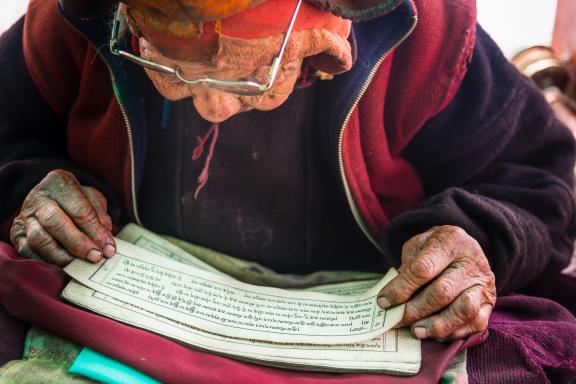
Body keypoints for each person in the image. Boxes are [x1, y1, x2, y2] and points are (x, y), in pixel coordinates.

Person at [0, 0, 575, 382]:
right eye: (169, 65)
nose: (213, 107)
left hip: (361, 321)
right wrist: (27, 185)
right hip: (138, 304)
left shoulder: (427, 34)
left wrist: (475, 238)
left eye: (247, 73)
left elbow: (541, 175)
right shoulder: (81, 16)